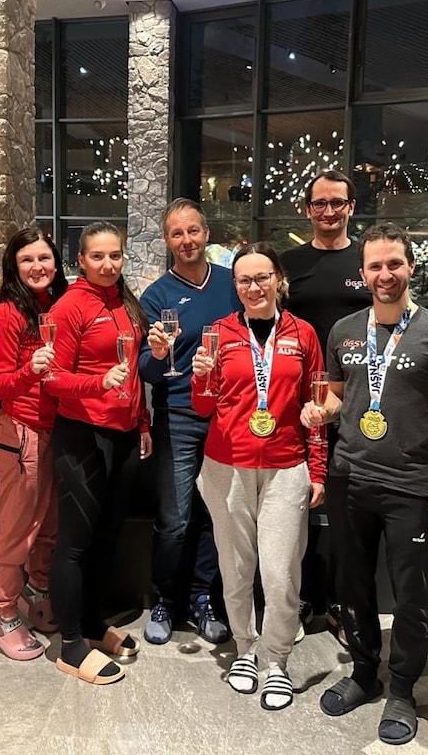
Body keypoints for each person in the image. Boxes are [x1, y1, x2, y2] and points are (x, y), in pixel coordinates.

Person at [307, 223, 428, 745]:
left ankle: (403, 689)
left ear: (410, 268)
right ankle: (363, 672)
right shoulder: (344, 330)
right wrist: (322, 411)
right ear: (362, 274)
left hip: (410, 484)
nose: (385, 274)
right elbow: (338, 396)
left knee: (410, 593)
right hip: (349, 477)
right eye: (375, 266)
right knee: (351, 585)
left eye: (394, 264)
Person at [191, 242, 326, 712]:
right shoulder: (220, 333)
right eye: (244, 280)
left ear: (278, 280)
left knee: (280, 571)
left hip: (287, 466)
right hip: (226, 464)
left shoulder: (303, 333)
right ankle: (245, 649)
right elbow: (204, 406)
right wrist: (199, 377)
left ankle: (277, 659)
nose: (254, 287)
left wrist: (319, 469)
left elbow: (318, 406)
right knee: (235, 568)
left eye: (262, 277)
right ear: (236, 285)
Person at [47, 222, 153, 685]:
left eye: (116, 255)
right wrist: (96, 383)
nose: (108, 264)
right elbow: (51, 379)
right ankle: (70, 644)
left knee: (106, 536)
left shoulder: (124, 302)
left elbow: (133, 373)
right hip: (83, 435)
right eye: (98, 257)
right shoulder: (68, 307)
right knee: (73, 543)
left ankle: (90, 624)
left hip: (125, 434)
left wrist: (143, 422)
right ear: (81, 260)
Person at [138, 198, 240, 645]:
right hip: (178, 414)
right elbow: (146, 370)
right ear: (167, 240)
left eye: (193, 231)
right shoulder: (156, 295)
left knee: (216, 514)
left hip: (227, 415)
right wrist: (159, 356)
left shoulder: (232, 284)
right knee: (174, 518)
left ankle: (202, 599)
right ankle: (164, 599)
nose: (186, 240)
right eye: (177, 234)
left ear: (207, 233)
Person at [280, 169, 371, 641]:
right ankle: (296, 600)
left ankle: (340, 602)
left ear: (351, 207)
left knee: (345, 509)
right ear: (308, 209)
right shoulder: (289, 263)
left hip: (358, 404)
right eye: (320, 203)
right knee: (294, 503)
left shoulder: (367, 261)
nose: (329, 211)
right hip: (297, 404)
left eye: (338, 202)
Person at [0, 228, 68, 660]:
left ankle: (36, 593)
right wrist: (31, 370)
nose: (38, 267)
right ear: (14, 268)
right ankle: (3, 612)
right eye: (28, 260)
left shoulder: (52, 305)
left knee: (49, 526)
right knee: (18, 529)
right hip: (21, 431)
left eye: (45, 258)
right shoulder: (7, 313)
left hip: (55, 431)